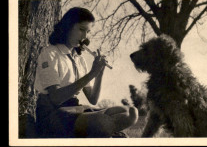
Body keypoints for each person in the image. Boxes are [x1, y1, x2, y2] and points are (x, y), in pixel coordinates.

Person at [34, 7, 138, 138]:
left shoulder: (80, 60)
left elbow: (93, 99)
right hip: (53, 115)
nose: (85, 37)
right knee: (102, 122)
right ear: (67, 26)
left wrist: (99, 73)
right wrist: (91, 74)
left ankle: (105, 130)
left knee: (130, 112)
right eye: (81, 30)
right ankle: (106, 130)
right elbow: (55, 98)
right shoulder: (50, 53)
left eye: (87, 32)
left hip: (75, 110)